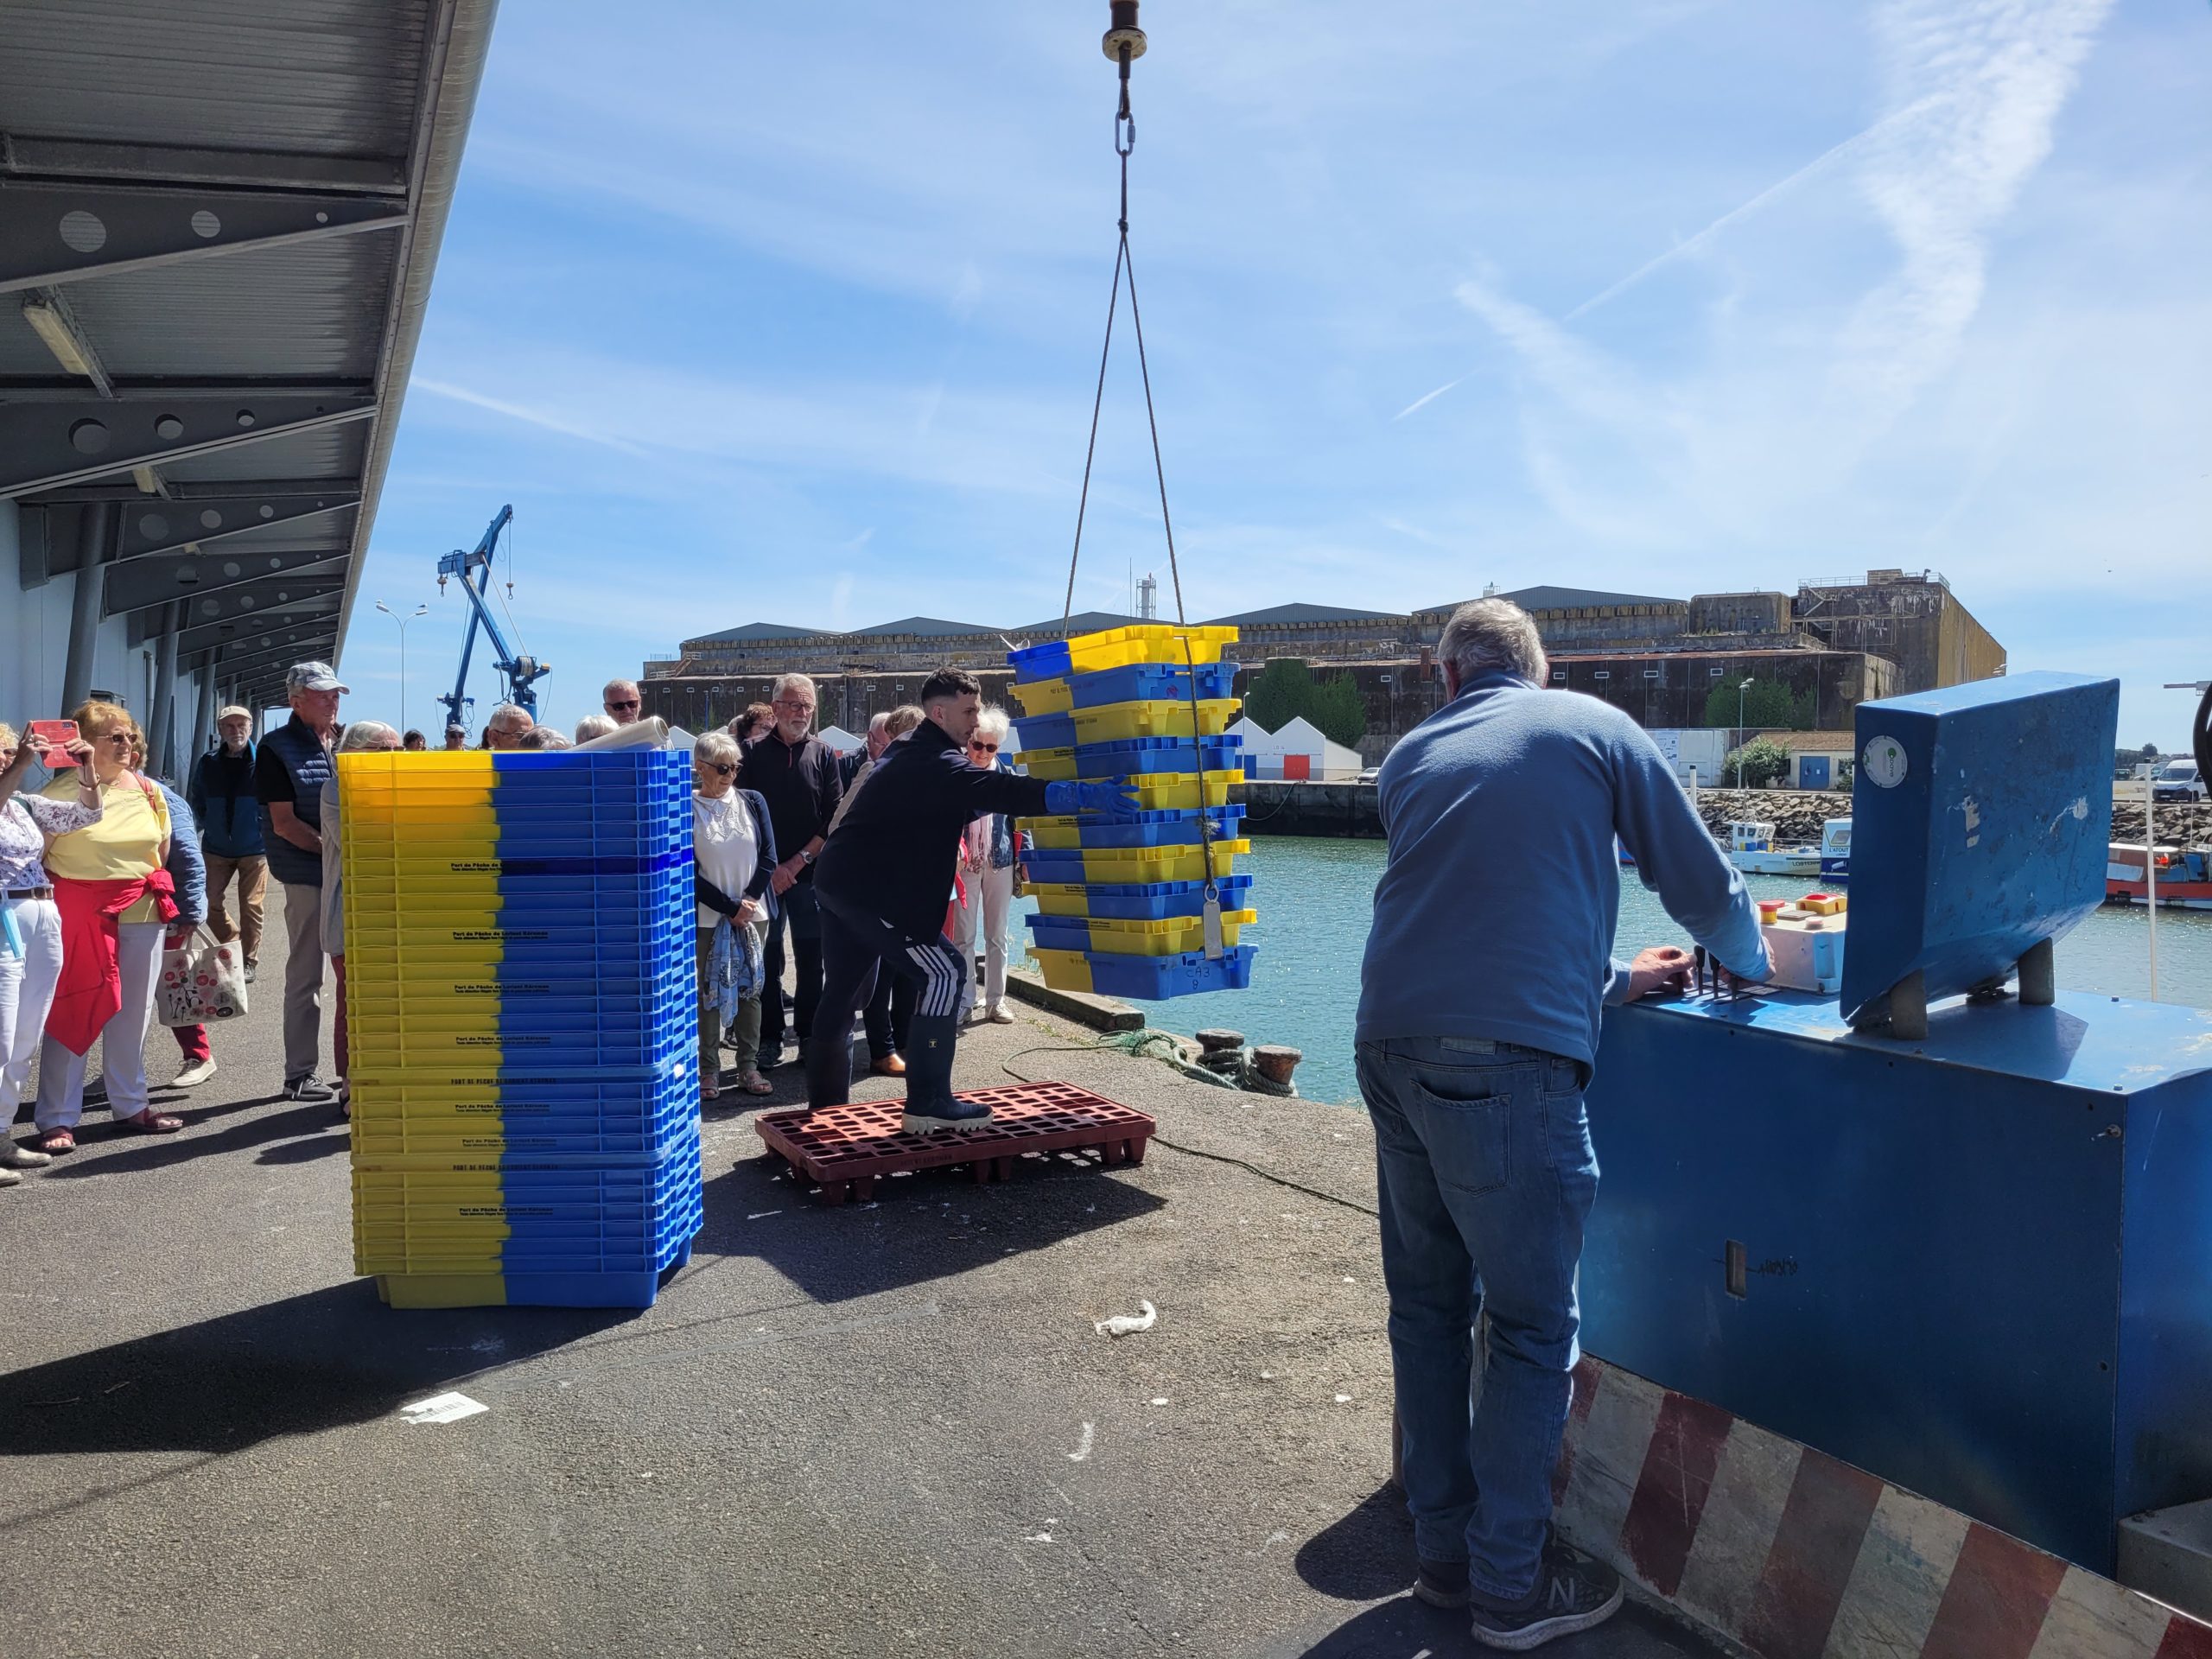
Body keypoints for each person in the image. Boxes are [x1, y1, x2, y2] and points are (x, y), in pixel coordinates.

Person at [1355, 599, 1771, 1649]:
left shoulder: (1409, 756)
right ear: (1541, 671)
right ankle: (1508, 1587)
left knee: (1427, 1308)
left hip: (1386, 1043)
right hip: (1505, 1065)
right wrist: (1756, 963)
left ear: (1446, 676)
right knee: (1532, 1327)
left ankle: (1443, 1562)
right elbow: (1699, 883)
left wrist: (1615, 979)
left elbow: (1477, 907)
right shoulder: (1594, 725)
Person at [809, 669, 1129, 1130]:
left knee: (840, 993)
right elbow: (1002, 790)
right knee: (945, 972)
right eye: (969, 711)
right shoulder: (938, 761)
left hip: (839, 882)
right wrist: (1084, 795)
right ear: (940, 713)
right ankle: (929, 1102)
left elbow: (953, 801)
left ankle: (823, 1110)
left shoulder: (908, 748)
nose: (976, 720)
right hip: (873, 893)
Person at [35, 701, 187, 1148]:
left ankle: (131, 1103)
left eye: (130, 737)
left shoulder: (148, 790)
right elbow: (36, 859)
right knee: (75, 1007)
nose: (126, 744)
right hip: (79, 915)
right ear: (83, 743)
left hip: (141, 912)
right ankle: (57, 1117)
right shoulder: (58, 793)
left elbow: (160, 852)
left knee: (134, 1013)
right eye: (114, 737)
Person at [0, 721, 99, 1179]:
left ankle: (2, 1132)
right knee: (2, 1034)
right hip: (5, 914)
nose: (8, 758)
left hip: (42, 913)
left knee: (25, 1035)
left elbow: (85, 816)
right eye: (2, 752)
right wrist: (21, 764)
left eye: (10, 751)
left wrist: (86, 769)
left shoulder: (22, 803)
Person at [736, 674, 842, 1070]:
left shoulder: (824, 754)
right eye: (795, 705)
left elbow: (833, 818)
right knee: (766, 960)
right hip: (763, 878)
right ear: (776, 707)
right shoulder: (749, 753)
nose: (802, 713)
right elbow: (742, 817)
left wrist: (798, 862)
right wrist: (772, 869)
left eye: (808, 706)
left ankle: (809, 1035)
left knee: (812, 958)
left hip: (809, 876)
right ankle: (770, 1037)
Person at [255, 661, 344, 1103]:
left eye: (335, 693)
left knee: (355, 977)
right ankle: (300, 1073)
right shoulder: (276, 748)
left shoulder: (343, 741)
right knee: (307, 974)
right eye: (323, 694)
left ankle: (359, 1068)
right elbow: (285, 824)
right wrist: (336, 853)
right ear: (295, 701)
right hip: (309, 876)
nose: (333, 700)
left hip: (347, 874)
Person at [826, 704, 925, 1076]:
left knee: (909, 971)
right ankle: (881, 1050)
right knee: (876, 976)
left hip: (911, 891)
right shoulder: (873, 771)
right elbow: (837, 826)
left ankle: (906, 1043)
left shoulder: (927, 778)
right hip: (874, 891)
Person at [322, 721, 404, 1115]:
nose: (393, 757)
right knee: (353, 1001)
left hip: (394, 912)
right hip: (351, 913)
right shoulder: (336, 789)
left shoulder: (404, 788)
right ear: (351, 754)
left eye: (398, 750)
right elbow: (357, 840)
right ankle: (350, 1084)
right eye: (382, 749)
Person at [690, 732, 777, 1101]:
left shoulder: (752, 801)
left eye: (736, 767)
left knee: (751, 990)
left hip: (754, 912)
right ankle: (709, 1069)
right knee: (709, 991)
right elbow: (688, 872)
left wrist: (748, 900)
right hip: (709, 915)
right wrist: (730, 906)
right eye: (723, 768)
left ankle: (748, 1066)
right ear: (701, 767)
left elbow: (769, 856)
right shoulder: (686, 807)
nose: (731, 774)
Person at [135, 728, 218, 1090]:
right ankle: (123, 1066)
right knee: (125, 993)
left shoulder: (160, 796)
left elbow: (188, 858)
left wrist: (189, 914)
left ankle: (199, 1056)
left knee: (174, 986)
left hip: (162, 910)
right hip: (118, 911)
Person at [950, 705, 1020, 1026]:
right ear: (968, 742)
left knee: (998, 935)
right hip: (965, 863)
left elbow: (1021, 821)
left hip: (1000, 860)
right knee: (963, 937)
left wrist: (1026, 858)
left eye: (990, 747)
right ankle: (965, 1001)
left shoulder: (1006, 776)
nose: (982, 752)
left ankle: (996, 1001)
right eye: (977, 744)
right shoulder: (956, 774)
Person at [189, 704, 267, 985]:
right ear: (220, 729)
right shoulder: (208, 762)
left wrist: (263, 827)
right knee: (208, 902)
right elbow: (197, 798)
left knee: (251, 905)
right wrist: (210, 824)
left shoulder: (264, 762)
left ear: (250, 728)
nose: (236, 731)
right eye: (229, 726)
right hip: (216, 848)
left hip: (255, 848)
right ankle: (233, 942)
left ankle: (248, 961)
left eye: (241, 725)